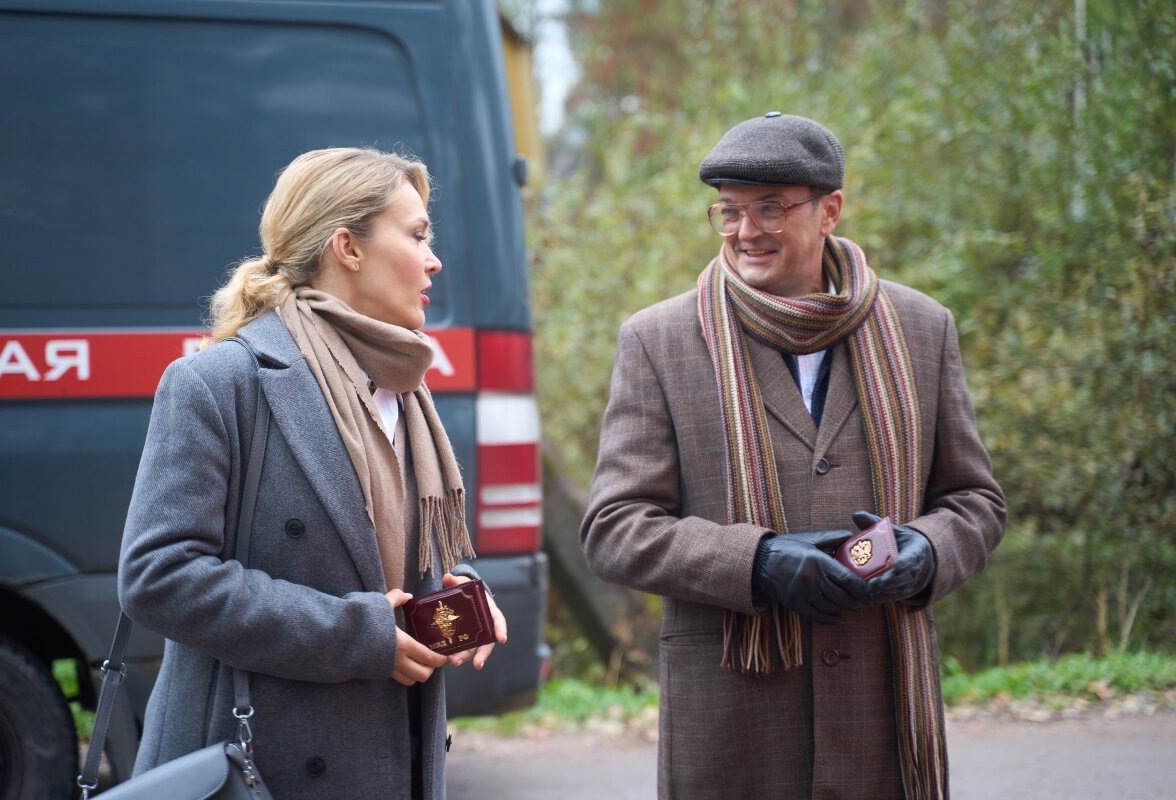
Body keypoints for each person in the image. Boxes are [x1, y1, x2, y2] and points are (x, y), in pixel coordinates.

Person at [580, 112, 1006, 799]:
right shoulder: (658, 341)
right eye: (730, 210)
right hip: (734, 727)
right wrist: (758, 562)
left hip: (881, 715)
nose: (745, 231)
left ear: (829, 210)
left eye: (771, 207)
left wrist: (929, 550)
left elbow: (975, 502)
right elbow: (614, 530)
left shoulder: (923, 329)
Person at [118, 147, 507, 800]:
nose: (434, 259)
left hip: (391, 758)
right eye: (416, 235)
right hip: (260, 762)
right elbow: (159, 576)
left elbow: (384, 563)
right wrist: (356, 635)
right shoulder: (220, 382)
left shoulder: (403, 389)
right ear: (347, 247)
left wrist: (458, 595)